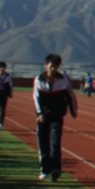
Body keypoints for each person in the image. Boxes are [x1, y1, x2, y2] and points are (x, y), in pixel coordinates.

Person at [33, 53, 77, 181]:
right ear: (46, 65)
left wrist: (73, 110)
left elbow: (70, 95)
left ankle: (55, 169)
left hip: (57, 116)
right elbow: (36, 98)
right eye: (51, 66)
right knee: (43, 143)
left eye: (56, 66)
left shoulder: (64, 79)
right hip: (43, 117)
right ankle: (44, 169)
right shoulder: (39, 80)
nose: (53, 69)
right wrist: (40, 113)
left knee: (55, 143)